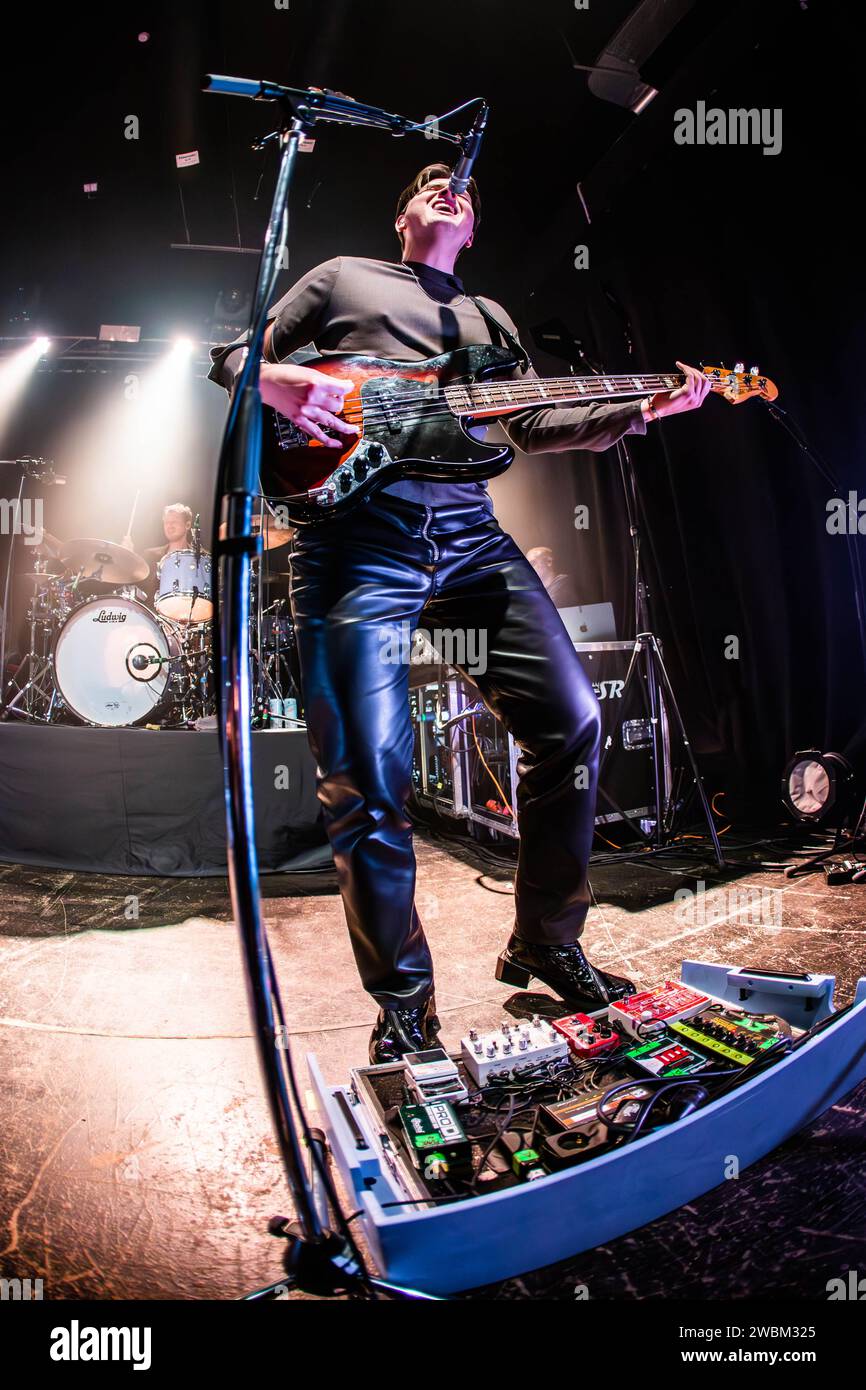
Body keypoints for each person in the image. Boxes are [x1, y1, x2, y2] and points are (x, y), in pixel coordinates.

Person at [209, 164, 710, 1064]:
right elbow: (236, 357)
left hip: (473, 543)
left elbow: (529, 424)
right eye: (431, 182)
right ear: (401, 213)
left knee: (572, 723)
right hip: (358, 543)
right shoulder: (341, 279)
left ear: (471, 230)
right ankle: (405, 999)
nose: (451, 189)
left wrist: (641, 410)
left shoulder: (489, 323)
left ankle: (548, 942)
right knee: (367, 776)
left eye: (465, 191)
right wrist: (281, 383)